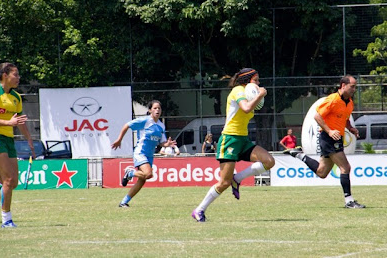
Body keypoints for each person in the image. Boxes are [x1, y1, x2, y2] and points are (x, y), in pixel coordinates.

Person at [191, 68, 275, 222]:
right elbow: (246, 108)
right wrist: (261, 94)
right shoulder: (238, 90)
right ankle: (199, 210)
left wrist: (258, 96)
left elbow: (252, 106)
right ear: (248, 80)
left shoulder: (249, 93)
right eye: (256, 80)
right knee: (223, 183)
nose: (258, 83)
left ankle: (238, 178)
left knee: (269, 161)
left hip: (242, 139)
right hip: (229, 139)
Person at [285, 75, 365, 209]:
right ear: (343, 85)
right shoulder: (332, 99)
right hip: (329, 138)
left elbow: (345, 119)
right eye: (352, 86)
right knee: (345, 167)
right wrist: (329, 131)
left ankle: (299, 155)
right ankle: (349, 201)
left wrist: (351, 128)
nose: (354, 89)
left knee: (322, 172)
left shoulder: (349, 102)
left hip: (336, 137)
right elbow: (317, 116)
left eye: (355, 87)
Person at [0, 62, 35, 228]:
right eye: (16, 74)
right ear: (5, 75)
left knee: (12, 182)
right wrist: (8, 122)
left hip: (9, 139)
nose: (18, 78)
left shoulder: (16, 97)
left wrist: (29, 139)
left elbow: (19, 122)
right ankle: (6, 219)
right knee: (7, 179)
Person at [111, 100, 176, 208]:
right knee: (148, 174)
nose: (157, 110)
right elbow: (127, 125)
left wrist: (167, 144)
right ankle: (130, 173)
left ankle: (124, 202)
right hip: (140, 152)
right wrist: (119, 139)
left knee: (142, 180)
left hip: (149, 155)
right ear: (150, 110)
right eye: (155, 108)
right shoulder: (145, 121)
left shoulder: (161, 126)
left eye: (159, 108)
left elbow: (161, 142)